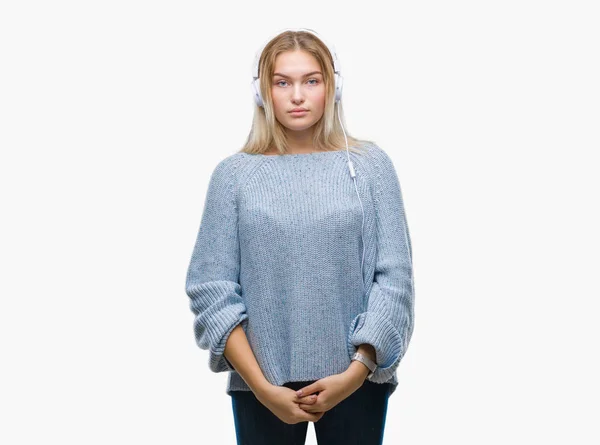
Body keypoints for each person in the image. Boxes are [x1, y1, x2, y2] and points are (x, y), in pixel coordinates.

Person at [185, 28, 415, 445]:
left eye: (311, 80)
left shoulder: (370, 166)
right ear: (263, 93)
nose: (297, 95)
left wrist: (355, 373)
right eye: (282, 82)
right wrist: (261, 387)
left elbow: (394, 281)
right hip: (263, 386)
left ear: (332, 86)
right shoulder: (234, 176)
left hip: (357, 382)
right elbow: (211, 288)